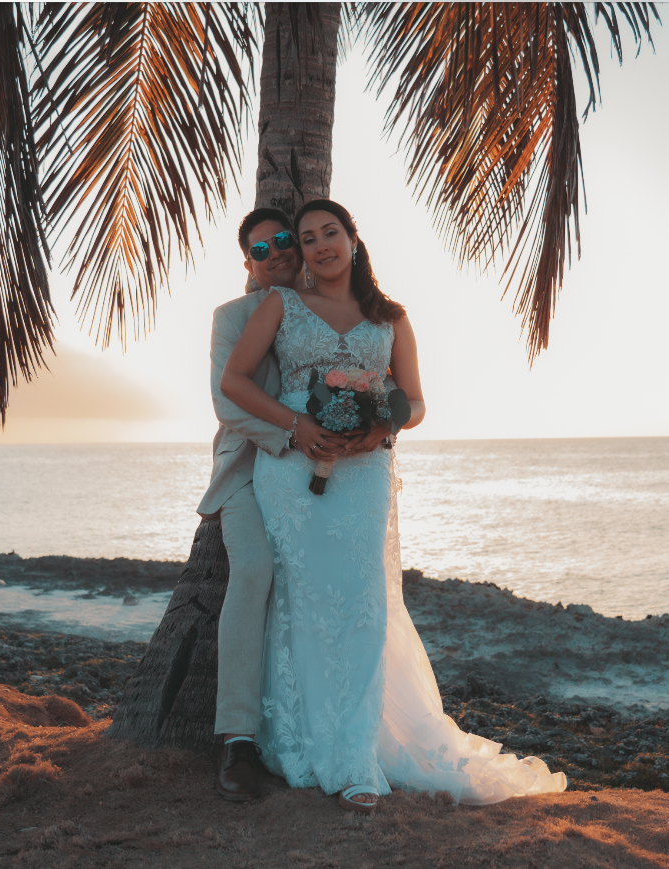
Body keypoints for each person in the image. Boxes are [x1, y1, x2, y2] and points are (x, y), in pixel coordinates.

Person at [221, 199, 567, 813]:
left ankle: (355, 757)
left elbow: (416, 400)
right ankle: (299, 742)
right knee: (301, 601)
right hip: (293, 470)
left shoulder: (391, 317)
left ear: (354, 240)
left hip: (365, 473)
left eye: (331, 232)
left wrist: (384, 427)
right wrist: (296, 426)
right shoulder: (281, 305)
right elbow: (235, 381)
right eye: (308, 238)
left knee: (362, 606)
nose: (321, 245)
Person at [198, 207, 348, 802]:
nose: (277, 251)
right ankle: (237, 741)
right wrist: (293, 433)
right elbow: (227, 404)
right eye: (261, 248)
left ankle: (323, 726)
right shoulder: (231, 317)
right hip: (246, 470)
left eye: (285, 239)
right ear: (248, 262)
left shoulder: (325, 307)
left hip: (320, 470)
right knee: (256, 570)